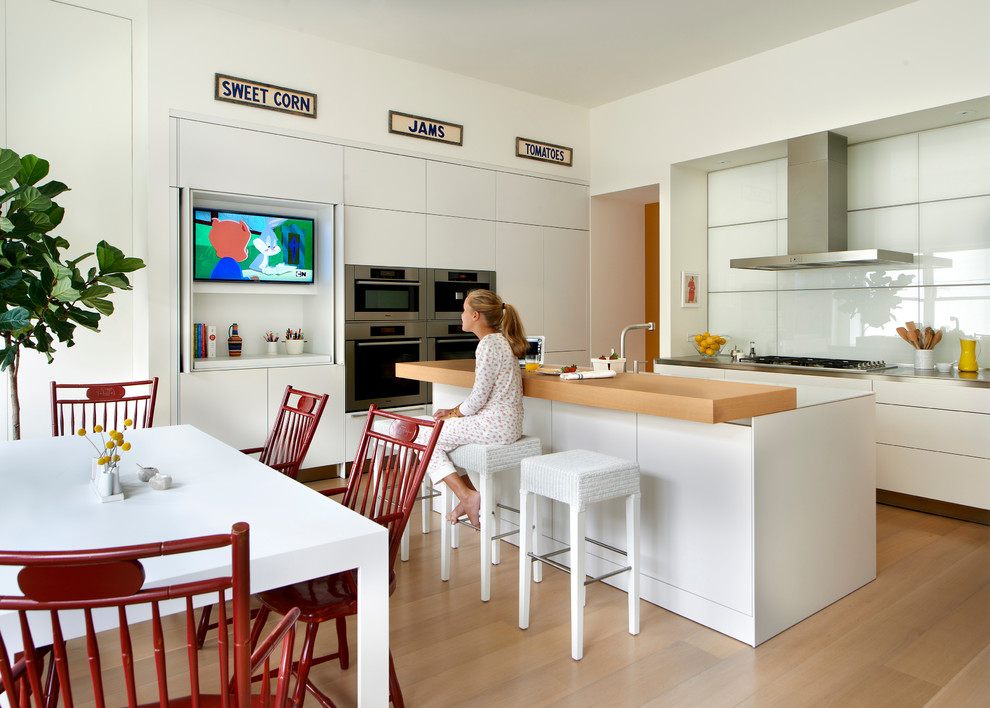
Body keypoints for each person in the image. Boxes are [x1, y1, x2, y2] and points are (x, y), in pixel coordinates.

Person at [428, 289, 528, 527]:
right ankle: (468, 495)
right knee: (442, 435)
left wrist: (452, 413)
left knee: (426, 436)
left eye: (463, 310)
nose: (460, 315)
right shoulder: (501, 341)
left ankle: (467, 495)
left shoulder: (487, 346)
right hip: (506, 424)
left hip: (495, 426)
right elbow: (482, 397)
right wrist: (453, 413)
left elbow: (477, 400)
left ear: (475, 315)